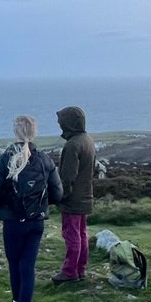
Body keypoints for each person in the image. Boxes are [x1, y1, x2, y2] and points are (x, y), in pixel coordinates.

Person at [0, 115, 63, 302]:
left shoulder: (5, 158)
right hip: (36, 222)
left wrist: (5, 208)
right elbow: (58, 193)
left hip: (13, 223)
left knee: (15, 265)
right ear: (34, 132)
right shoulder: (44, 160)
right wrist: (42, 207)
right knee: (27, 267)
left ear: (15, 132)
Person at [52, 106, 96, 285]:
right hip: (86, 196)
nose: (60, 125)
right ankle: (80, 269)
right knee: (81, 234)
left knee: (71, 235)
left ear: (68, 123)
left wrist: (60, 196)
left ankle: (70, 271)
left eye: (61, 122)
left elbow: (68, 178)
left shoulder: (72, 145)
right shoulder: (87, 140)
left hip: (73, 200)